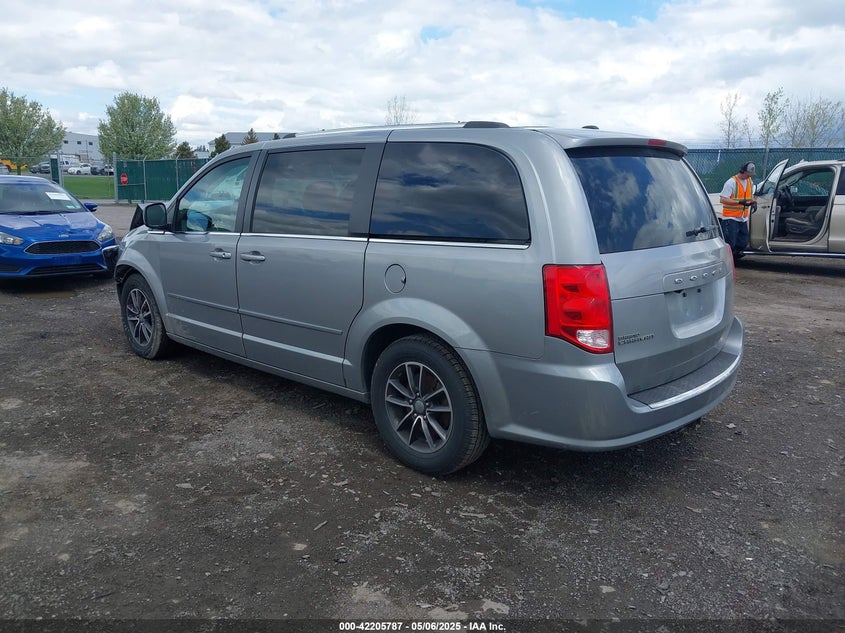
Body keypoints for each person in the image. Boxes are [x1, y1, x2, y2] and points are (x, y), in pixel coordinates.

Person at [719, 161, 757, 258]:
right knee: (730, 243)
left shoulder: (749, 181)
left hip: (742, 218)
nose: (749, 176)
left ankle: (734, 259)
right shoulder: (731, 182)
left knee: (743, 242)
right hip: (731, 218)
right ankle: (728, 262)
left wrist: (753, 201)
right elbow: (723, 199)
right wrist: (739, 202)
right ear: (743, 171)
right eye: (748, 174)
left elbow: (750, 195)